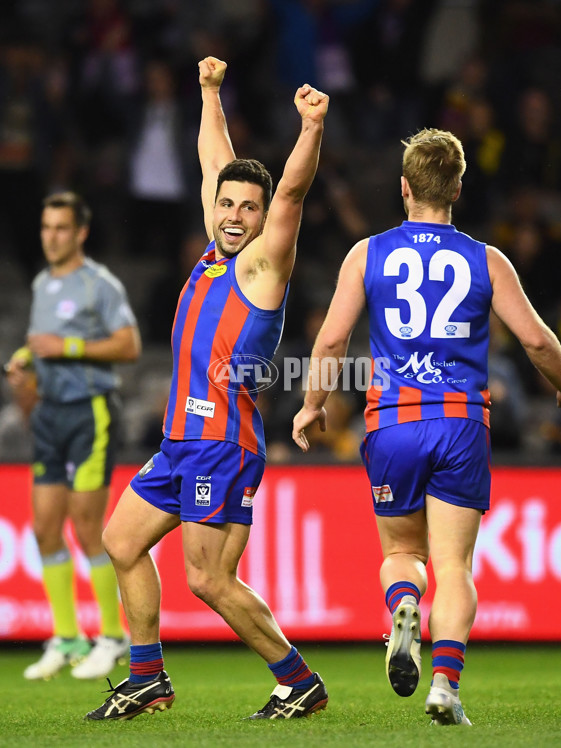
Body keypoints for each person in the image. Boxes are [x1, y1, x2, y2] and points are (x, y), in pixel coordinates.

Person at [292, 128, 561, 726]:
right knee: (454, 566)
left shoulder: (367, 253)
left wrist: (312, 402)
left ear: (404, 188)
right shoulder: (487, 259)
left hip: (392, 425)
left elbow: (330, 337)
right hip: (459, 424)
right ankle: (445, 686)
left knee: (403, 551)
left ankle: (403, 604)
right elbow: (535, 338)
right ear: (457, 187)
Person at [86, 57, 329, 721]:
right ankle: (147, 679)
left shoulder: (261, 264)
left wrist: (310, 128)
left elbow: (292, 197)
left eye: (247, 207)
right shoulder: (213, 249)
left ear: (259, 220)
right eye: (226, 203)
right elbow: (212, 159)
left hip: (222, 442)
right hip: (180, 443)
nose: (234, 212)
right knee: (122, 542)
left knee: (208, 578)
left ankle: (297, 679)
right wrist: (208, 92)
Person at [5, 191, 141, 680]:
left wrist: (67, 345)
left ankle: (113, 634)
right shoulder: (42, 284)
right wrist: (27, 361)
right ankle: (66, 637)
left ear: (80, 232)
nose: (52, 236)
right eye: (46, 227)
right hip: (50, 414)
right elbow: (42, 342)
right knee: (44, 528)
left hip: (90, 412)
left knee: (87, 527)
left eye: (61, 228)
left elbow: (129, 344)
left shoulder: (98, 285)